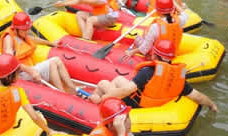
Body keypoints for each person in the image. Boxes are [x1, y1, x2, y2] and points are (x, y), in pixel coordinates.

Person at [89, 40, 218, 114]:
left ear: (155, 55)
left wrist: (103, 99)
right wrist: (211, 104)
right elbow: (198, 96)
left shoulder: (147, 72)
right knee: (118, 80)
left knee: (103, 83)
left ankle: (96, 105)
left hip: (139, 104)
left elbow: (125, 91)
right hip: (157, 102)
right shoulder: (179, 78)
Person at [0, 12, 76, 93]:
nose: (27, 31)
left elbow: (33, 39)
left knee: (57, 61)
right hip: (20, 74)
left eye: (28, 29)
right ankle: (62, 93)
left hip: (29, 69)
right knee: (53, 63)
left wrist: (51, 43)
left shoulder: (20, 34)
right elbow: (10, 61)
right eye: (25, 30)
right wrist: (31, 71)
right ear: (16, 29)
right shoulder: (8, 39)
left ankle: (72, 88)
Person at [84, 97, 155, 136]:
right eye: (123, 120)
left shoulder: (125, 131)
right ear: (111, 125)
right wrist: (121, 134)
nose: (128, 122)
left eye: (128, 117)